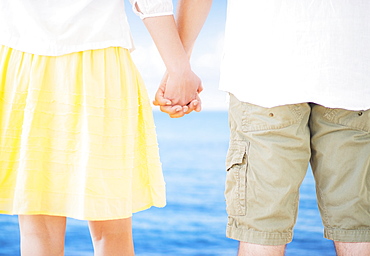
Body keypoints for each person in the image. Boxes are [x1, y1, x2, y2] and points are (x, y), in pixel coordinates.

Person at [155, 0, 370, 255]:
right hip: (355, 69)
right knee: (359, 228)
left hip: (264, 70)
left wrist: (181, 64)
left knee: (261, 232)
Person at [0, 0, 202, 255]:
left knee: (37, 229)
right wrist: (180, 69)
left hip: (23, 64)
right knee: (111, 231)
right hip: (100, 65)